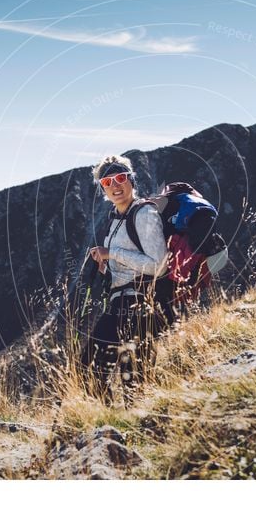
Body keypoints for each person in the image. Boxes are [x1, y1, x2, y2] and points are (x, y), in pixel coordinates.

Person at [81, 155, 176, 406]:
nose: (115, 185)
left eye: (121, 178)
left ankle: (136, 433)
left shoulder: (143, 212)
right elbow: (129, 262)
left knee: (132, 379)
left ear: (131, 180)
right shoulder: (115, 219)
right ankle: (111, 426)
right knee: (90, 367)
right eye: (107, 182)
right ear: (103, 188)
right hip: (119, 303)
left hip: (143, 303)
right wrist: (107, 266)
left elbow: (159, 265)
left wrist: (112, 253)